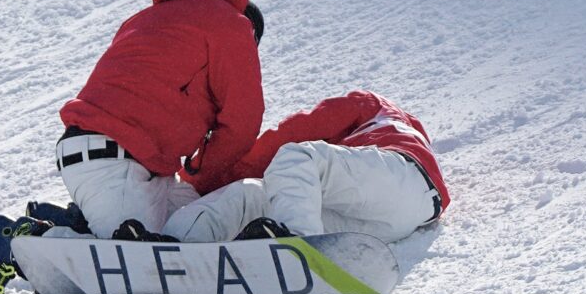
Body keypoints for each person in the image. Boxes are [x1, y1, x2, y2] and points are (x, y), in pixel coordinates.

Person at [0, 0, 266, 294]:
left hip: (114, 160)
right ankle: (15, 242)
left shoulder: (149, 18)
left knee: (193, 229)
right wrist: (204, 174)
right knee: (145, 269)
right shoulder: (234, 26)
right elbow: (242, 121)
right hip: (115, 161)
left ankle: (74, 222)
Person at [162, 90, 450, 243]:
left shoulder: (372, 106)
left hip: (405, 179)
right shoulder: (354, 166)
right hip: (386, 220)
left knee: (295, 157)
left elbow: (289, 136)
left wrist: (203, 181)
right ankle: (173, 243)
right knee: (251, 195)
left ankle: (298, 249)